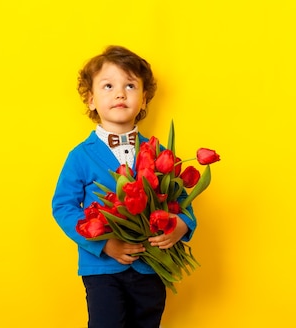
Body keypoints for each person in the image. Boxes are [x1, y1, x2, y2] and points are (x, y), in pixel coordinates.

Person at [51, 45, 197, 328]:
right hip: (103, 268)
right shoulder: (80, 156)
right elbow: (63, 206)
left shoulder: (158, 152)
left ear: (144, 101)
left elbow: (182, 198)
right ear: (91, 100)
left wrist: (182, 225)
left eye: (130, 85)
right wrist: (105, 244)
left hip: (151, 266)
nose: (120, 93)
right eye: (108, 86)